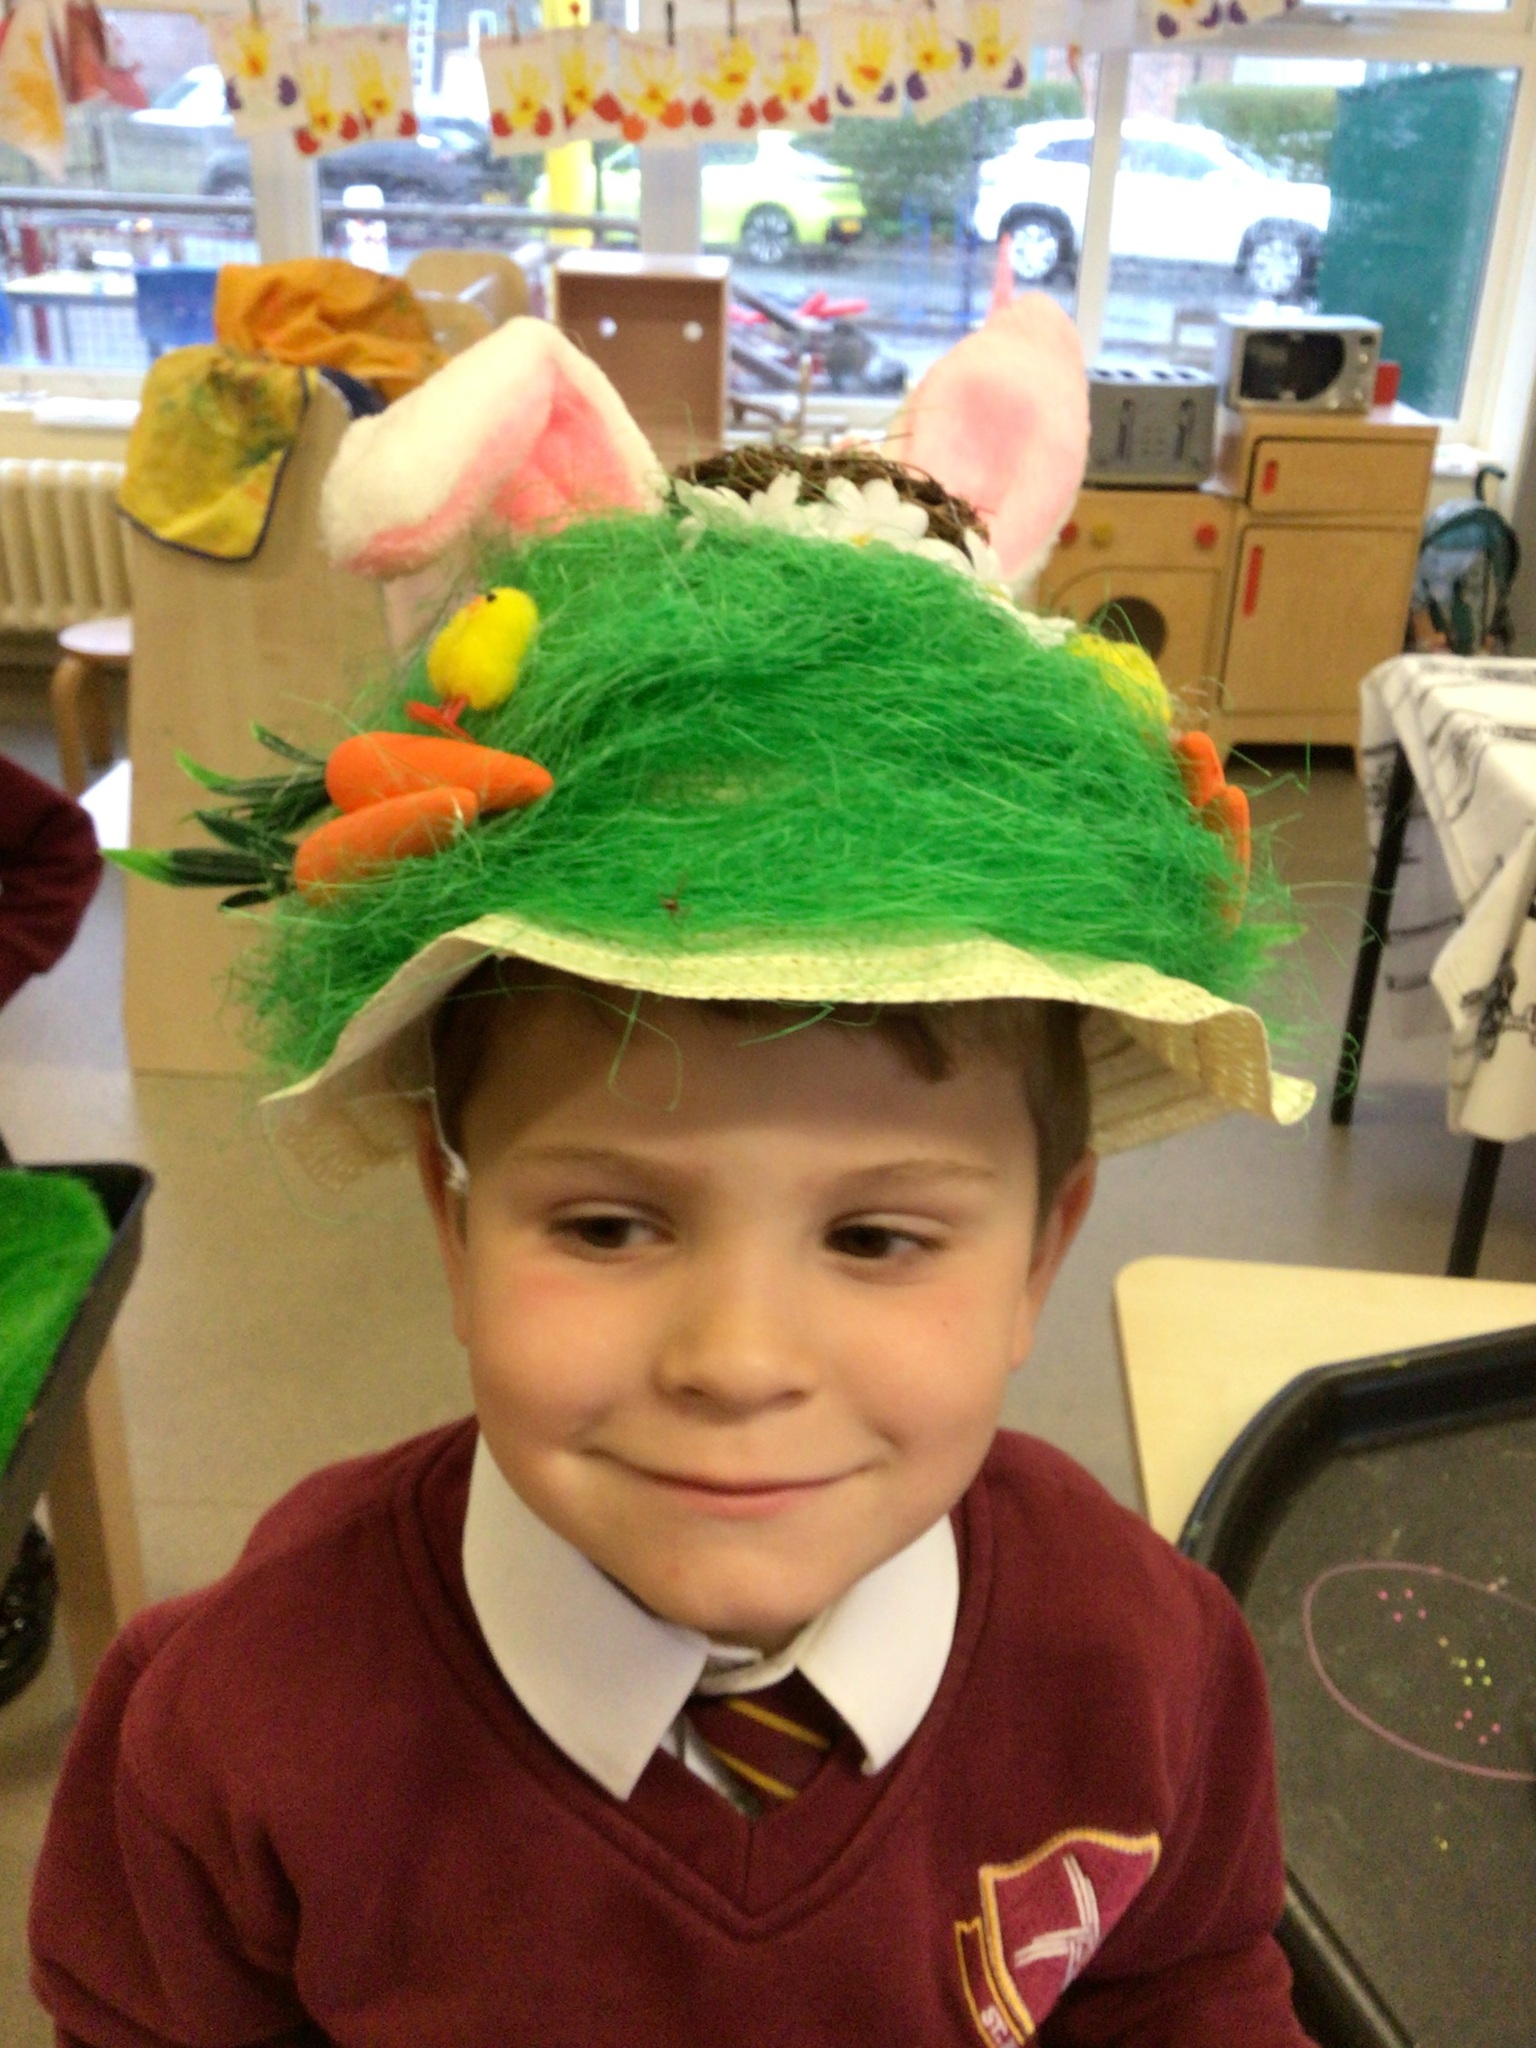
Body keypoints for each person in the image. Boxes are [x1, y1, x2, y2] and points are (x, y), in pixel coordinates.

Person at [30, 319, 1315, 2046]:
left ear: (1038, 1259)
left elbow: (1189, 1981)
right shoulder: (237, 1724)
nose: (735, 1359)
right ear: (453, 1221)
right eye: (609, 1223)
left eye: (877, 1235)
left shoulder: (1144, 1664)